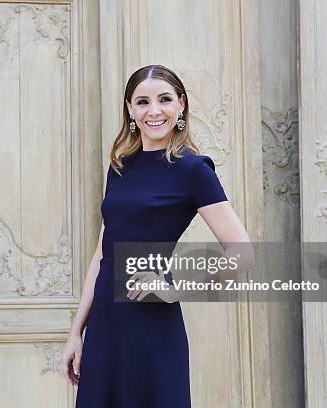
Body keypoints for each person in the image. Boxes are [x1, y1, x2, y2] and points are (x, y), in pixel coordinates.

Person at [62, 64, 252, 407]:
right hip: (105, 326)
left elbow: (242, 253)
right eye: (142, 102)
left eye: (164, 99)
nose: (154, 111)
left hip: (150, 323)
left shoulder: (193, 170)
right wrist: (77, 331)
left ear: (180, 105)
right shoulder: (120, 166)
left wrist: (173, 289)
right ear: (130, 111)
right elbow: (103, 255)